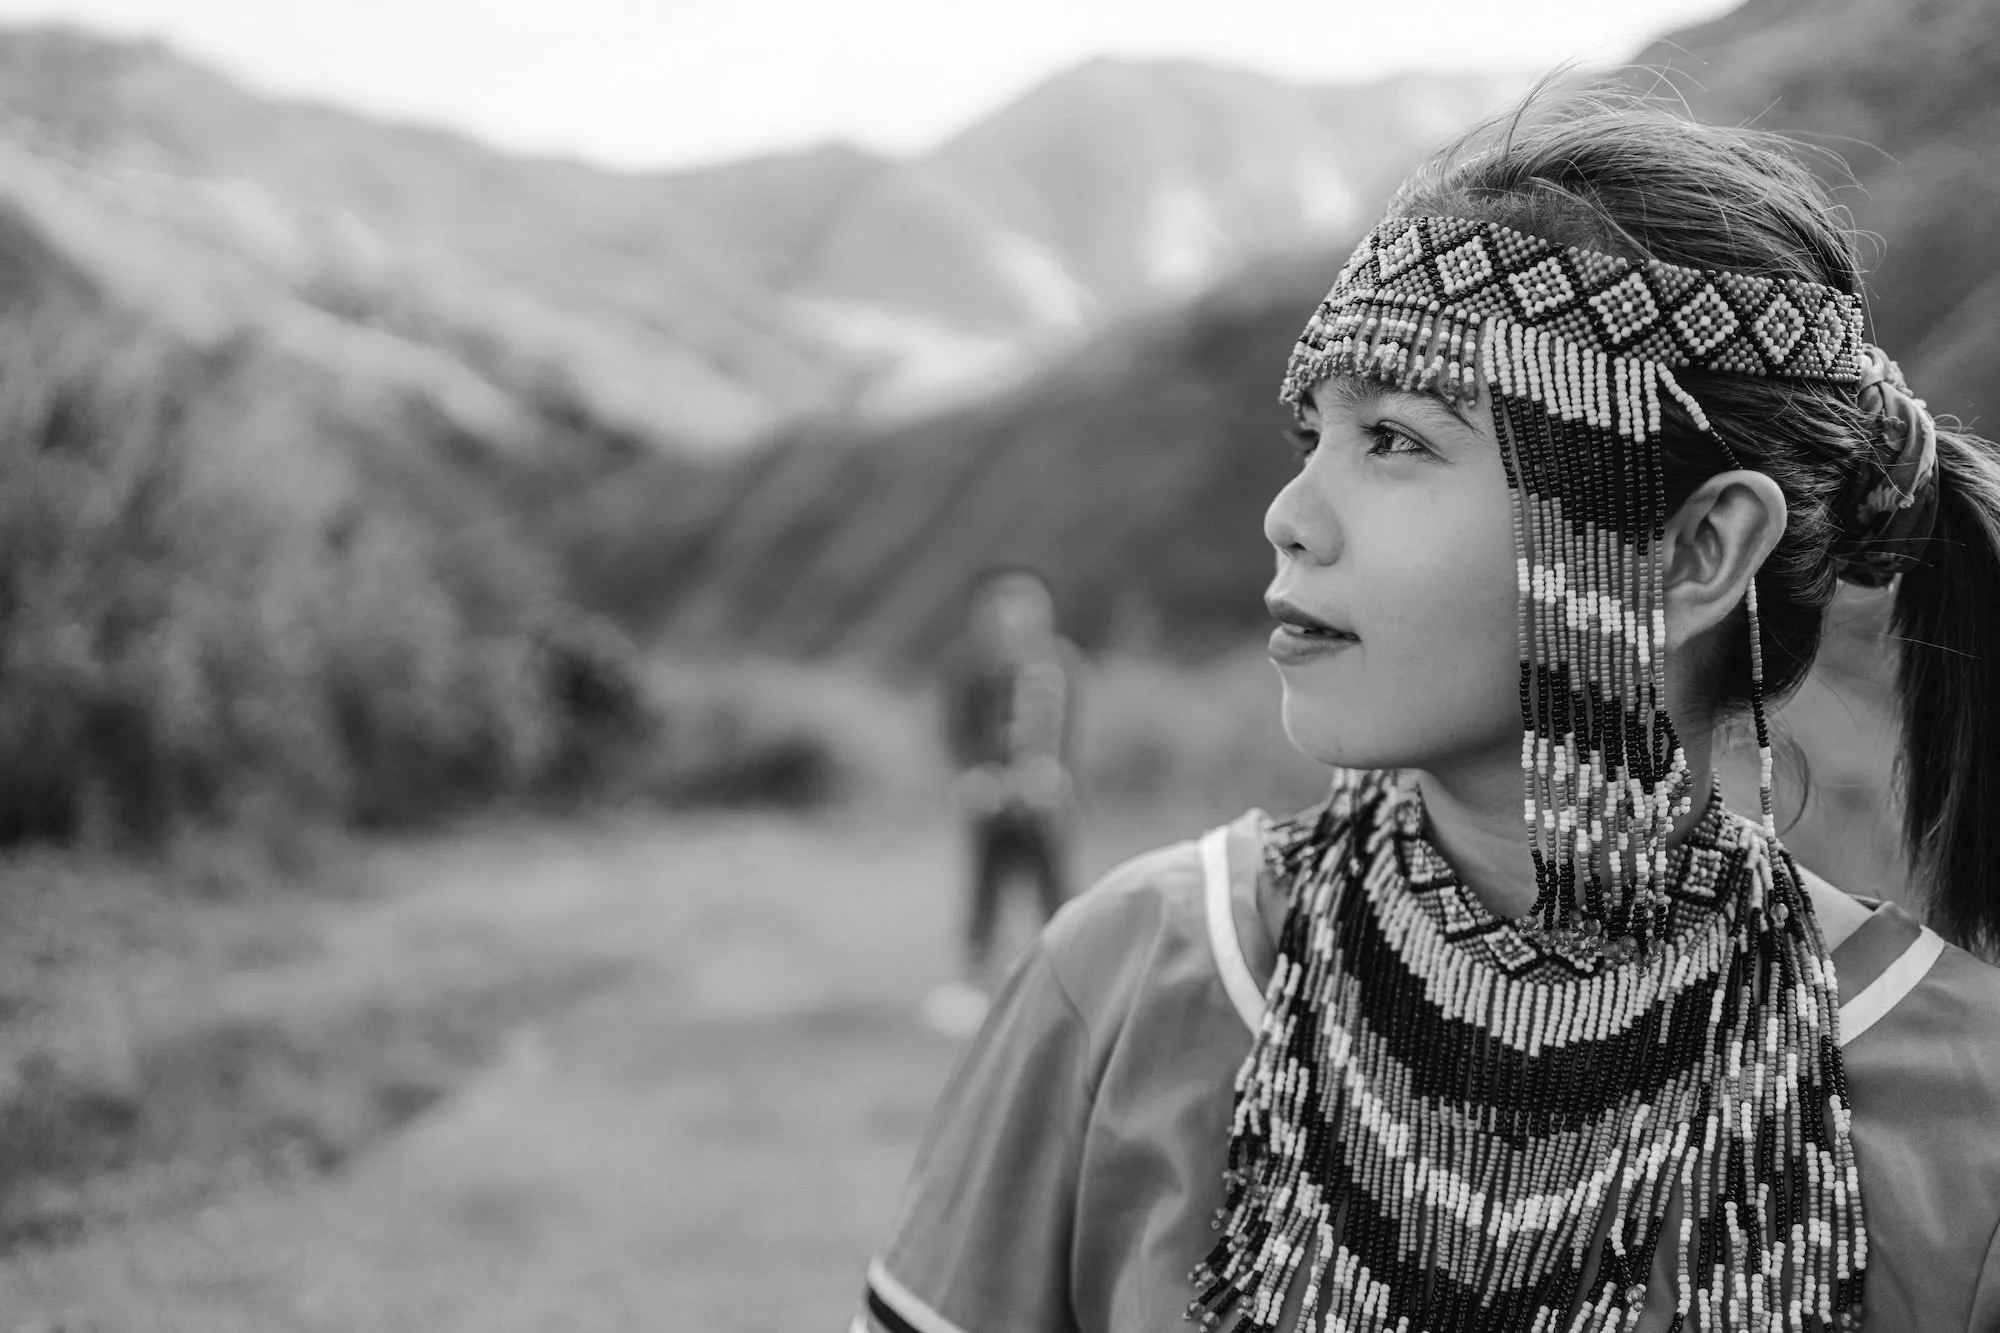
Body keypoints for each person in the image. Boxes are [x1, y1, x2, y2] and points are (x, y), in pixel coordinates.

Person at [854, 86, 2000, 1333]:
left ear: (1692, 550)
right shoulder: (1133, 979)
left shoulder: (1960, 1099)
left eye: (1394, 437)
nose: (1289, 512)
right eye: (1314, 430)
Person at [924, 565, 1085, 1036]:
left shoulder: (1061, 661)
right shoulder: (967, 664)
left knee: (1056, 890)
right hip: (989, 800)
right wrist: (972, 777)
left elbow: (1072, 732)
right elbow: (955, 730)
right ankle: (976, 985)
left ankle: (1066, 982)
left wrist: (1058, 777)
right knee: (984, 891)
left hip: (1045, 800)